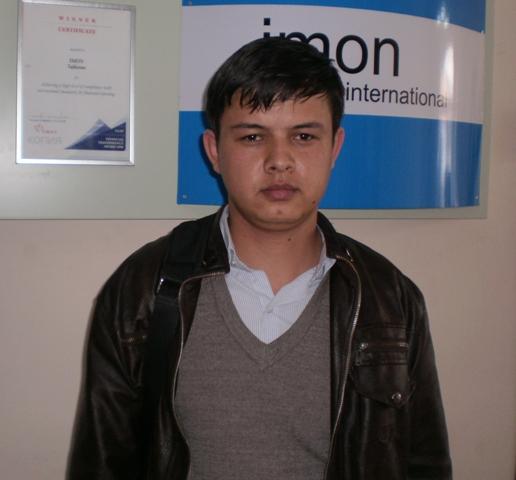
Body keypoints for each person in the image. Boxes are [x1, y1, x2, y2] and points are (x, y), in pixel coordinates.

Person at [67, 37, 452, 480]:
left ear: (335, 148)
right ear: (214, 151)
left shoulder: (389, 299)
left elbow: (425, 465)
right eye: (252, 137)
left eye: (304, 136)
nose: (279, 161)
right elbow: (101, 464)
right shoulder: (142, 288)